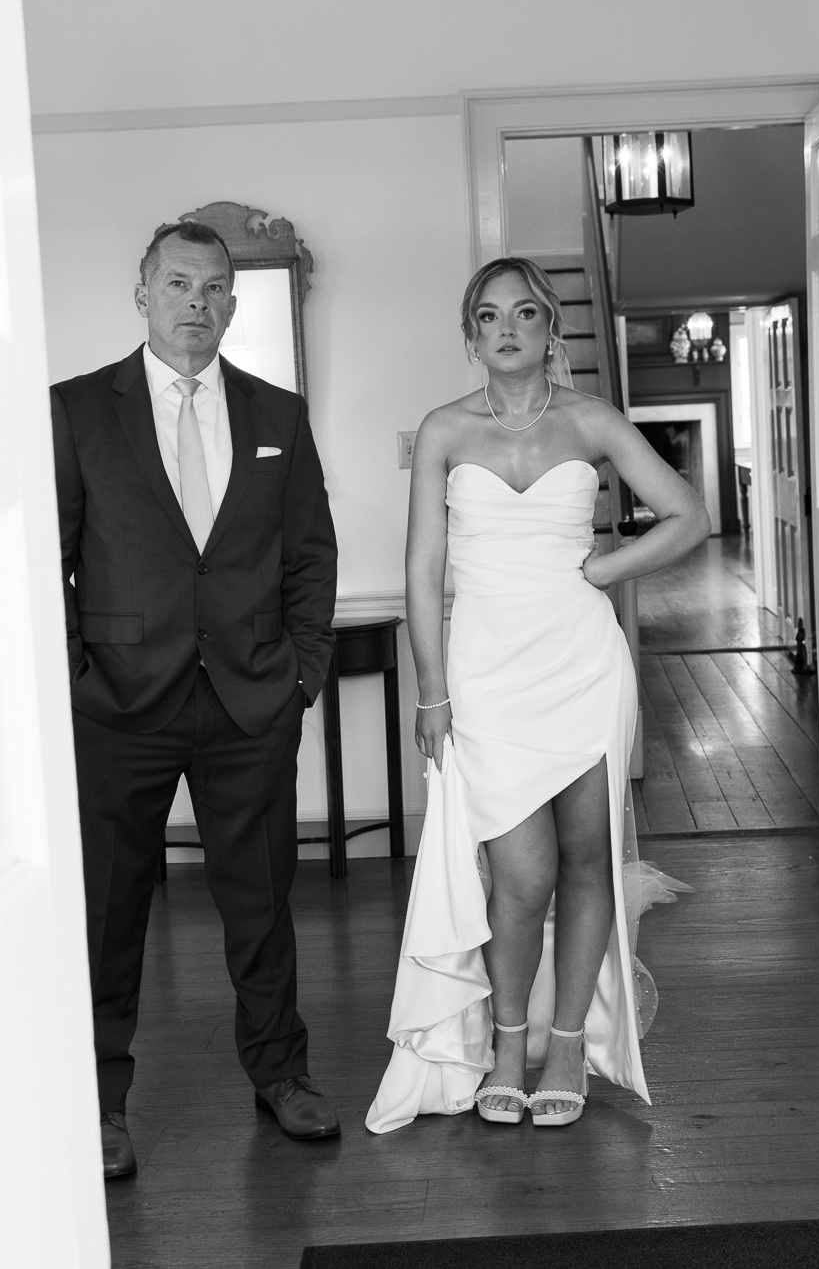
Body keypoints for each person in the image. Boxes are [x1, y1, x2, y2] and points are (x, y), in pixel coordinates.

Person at [366, 258, 705, 1133]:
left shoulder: (590, 419)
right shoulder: (444, 429)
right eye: (488, 315)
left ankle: (564, 1048)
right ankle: (504, 1044)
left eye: (524, 312)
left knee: (589, 856)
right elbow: (422, 565)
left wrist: (602, 568)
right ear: (470, 335)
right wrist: (432, 689)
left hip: (581, 664)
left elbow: (687, 515)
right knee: (521, 874)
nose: (507, 328)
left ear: (551, 324)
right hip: (484, 674)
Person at [51, 218, 339, 1178]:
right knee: (110, 909)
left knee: (261, 902)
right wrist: (72, 680)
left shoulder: (277, 416)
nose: (198, 304)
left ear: (234, 299)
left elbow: (309, 556)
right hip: (118, 706)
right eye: (178, 285)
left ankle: (282, 1075)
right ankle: (100, 1102)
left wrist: (301, 672)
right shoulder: (77, 411)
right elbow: (48, 558)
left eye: (215, 288)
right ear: (143, 294)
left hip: (251, 702)